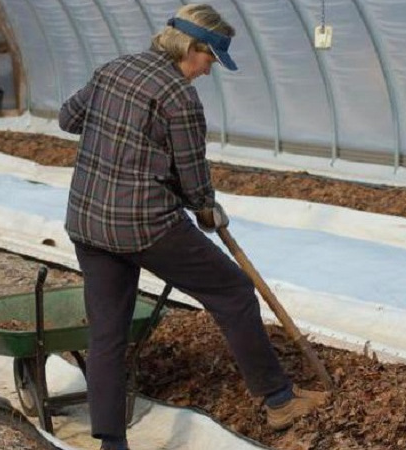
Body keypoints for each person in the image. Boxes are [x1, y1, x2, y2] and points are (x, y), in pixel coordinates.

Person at [58, 4, 328, 450]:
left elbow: (69, 119)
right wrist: (206, 209)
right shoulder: (179, 97)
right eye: (210, 60)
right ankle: (279, 400)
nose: (209, 71)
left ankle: (112, 444)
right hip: (144, 225)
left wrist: (121, 138)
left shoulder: (112, 69)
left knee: (107, 334)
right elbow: (191, 174)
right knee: (234, 292)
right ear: (192, 48)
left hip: (88, 222)